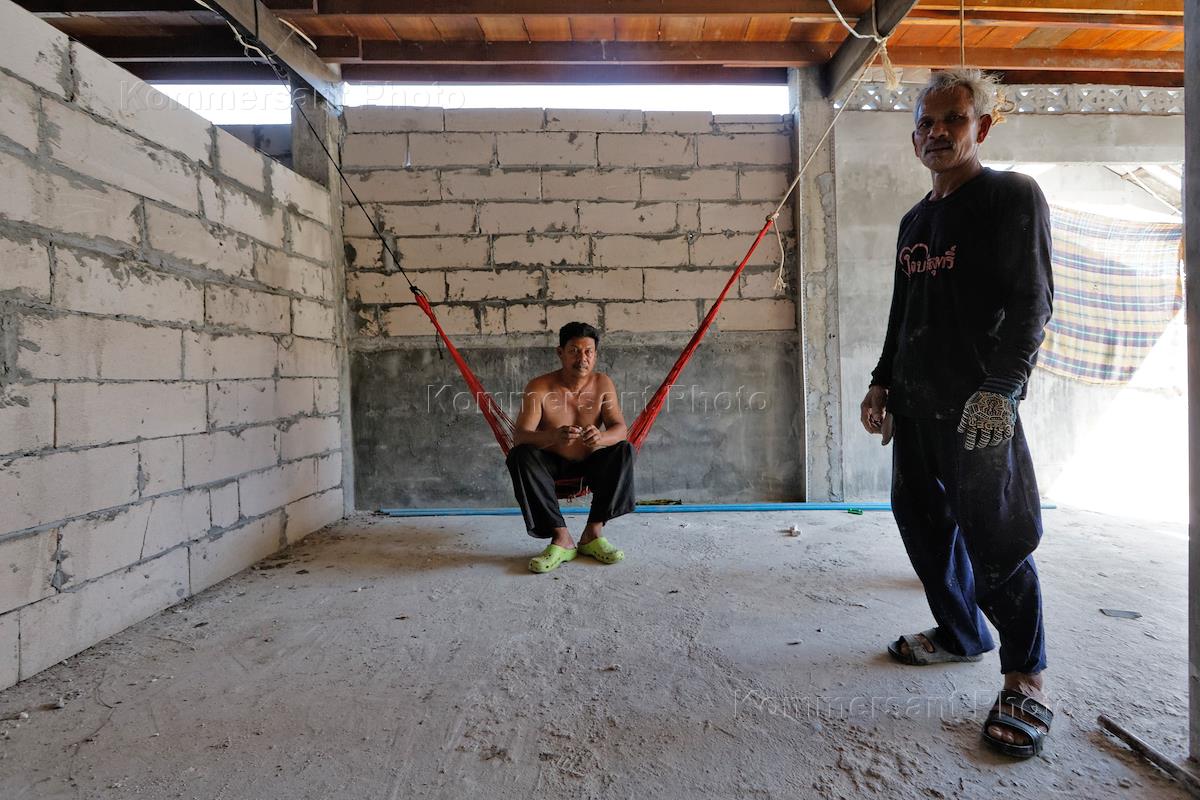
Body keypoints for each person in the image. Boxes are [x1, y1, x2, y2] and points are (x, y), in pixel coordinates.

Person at [860, 69, 1055, 759]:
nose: (937, 132)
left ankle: (1026, 679)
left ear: (982, 127)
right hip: (915, 405)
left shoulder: (1010, 196)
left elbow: (1033, 301)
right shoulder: (916, 220)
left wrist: (1003, 389)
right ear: (914, 134)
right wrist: (882, 380)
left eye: (953, 119)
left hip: (979, 407)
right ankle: (962, 632)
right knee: (922, 526)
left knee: (997, 539)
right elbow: (902, 312)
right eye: (926, 121)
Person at [507, 322, 635, 574]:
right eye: (574, 351)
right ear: (560, 353)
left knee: (624, 450)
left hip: (591, 463)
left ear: (595, 355)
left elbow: (621, 429)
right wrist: (553, 436)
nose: (582, 358)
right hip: (551, 464)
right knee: (519, 456)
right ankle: (561, 538)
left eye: (588, 351)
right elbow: (520, 436)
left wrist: (601, 437)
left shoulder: (603, 383)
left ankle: (592, 534)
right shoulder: (539, 387)